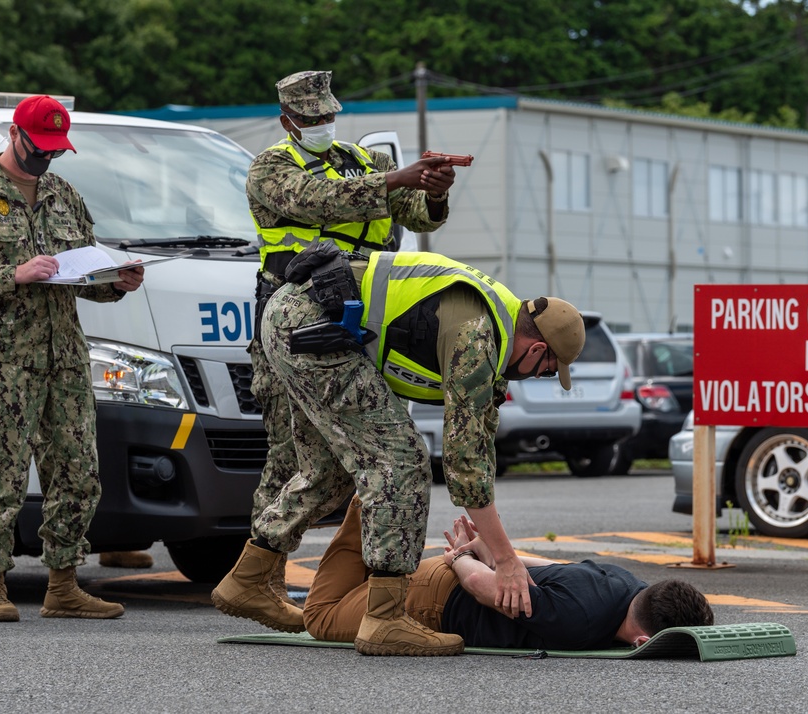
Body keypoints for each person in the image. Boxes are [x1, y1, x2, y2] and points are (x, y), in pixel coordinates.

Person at [212, 245, 586, 656]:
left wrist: (492, 534)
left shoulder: (496, 317)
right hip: (313, 325)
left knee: (330, 470)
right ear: (536, 350)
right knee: (402, 462)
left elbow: (480, 439)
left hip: (297, 318)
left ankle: (247, 578)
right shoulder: (478, 335)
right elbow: (466, 462)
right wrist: (506, 558)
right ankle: (385, 620)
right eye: (547, 371)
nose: (536, 377)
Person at [246, 69, 457, 603]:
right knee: (289, 454)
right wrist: (398, 179)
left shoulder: (367, 161)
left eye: (328, 115)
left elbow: (413, 214)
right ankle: (262, 581)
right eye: (311, 117)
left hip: (358, 313)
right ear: (287, 120)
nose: (322, 123)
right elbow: (317, 201)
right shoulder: (272, 166)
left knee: (346, 459)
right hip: (292, 316)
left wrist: (432, 191)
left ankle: (294, 576)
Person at [0, 94, 145, 622]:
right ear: (14, 134)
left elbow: (82, 271)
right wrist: (14, 274)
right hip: (4, 363)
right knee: (0, 473)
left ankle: (64, 585)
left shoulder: (64, 196)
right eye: (40, 147)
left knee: (77, 470)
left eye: (56, 149)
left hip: (65, 358)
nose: (46, 157)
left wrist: (116, 283)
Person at [305, 499, 715, 650]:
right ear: (644, 641)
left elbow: (540, 569)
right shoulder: (582, 622)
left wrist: (489, 552)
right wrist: (460, 558)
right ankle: (369, 498)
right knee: (320, 618)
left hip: (445, 584)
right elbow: (484, 587)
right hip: (434, 600)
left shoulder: (626, 584)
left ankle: (376, 499)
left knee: (346, 604)